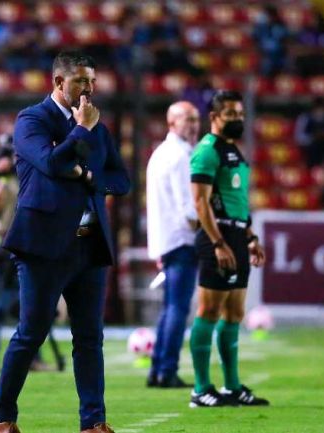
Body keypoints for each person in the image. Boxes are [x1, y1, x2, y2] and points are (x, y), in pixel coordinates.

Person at [0, 51, 130, 433]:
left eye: (92, 81)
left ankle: (93, 422)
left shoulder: (97, 124)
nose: (89, 89)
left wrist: (89, 177)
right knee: (31, 333)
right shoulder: (32, 120)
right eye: (81, 81)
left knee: (89, 338)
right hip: (42, 245)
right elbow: (51, 164)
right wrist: (81, 131)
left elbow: (121, 178)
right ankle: (2, 418)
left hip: (88, 239)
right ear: (58, 83)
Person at [188, 90, 268, 407]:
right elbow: (200, 202)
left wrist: (249, 238)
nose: (237, 120)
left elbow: (237, 202)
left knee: (235, 312)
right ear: (214, 118)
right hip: (216, 237)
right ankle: (200, 388)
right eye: (230, 115)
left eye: (240, 114)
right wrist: (218, 242)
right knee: (208, 310)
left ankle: (232, 387)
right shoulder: (207, 151)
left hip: (236, 236)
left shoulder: (233, 150)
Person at [0, 139, 48, 373]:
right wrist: (2, 176)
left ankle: (34, 358)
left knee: (30, 306)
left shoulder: (29, 178)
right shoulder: (1, 183)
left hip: (26, 247)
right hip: (2, 250)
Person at [145, 101, 200, 389]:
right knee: (178, 307)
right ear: (172, 122)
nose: (193, 124)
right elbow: (187, 209)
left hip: (167, 239)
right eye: (187, 119)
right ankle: (167, 369)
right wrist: (208, 231)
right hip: (181, 240)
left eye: (195, 118)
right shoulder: (180, 156)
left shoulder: (162, 153)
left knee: (170, 307)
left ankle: (158, 369)